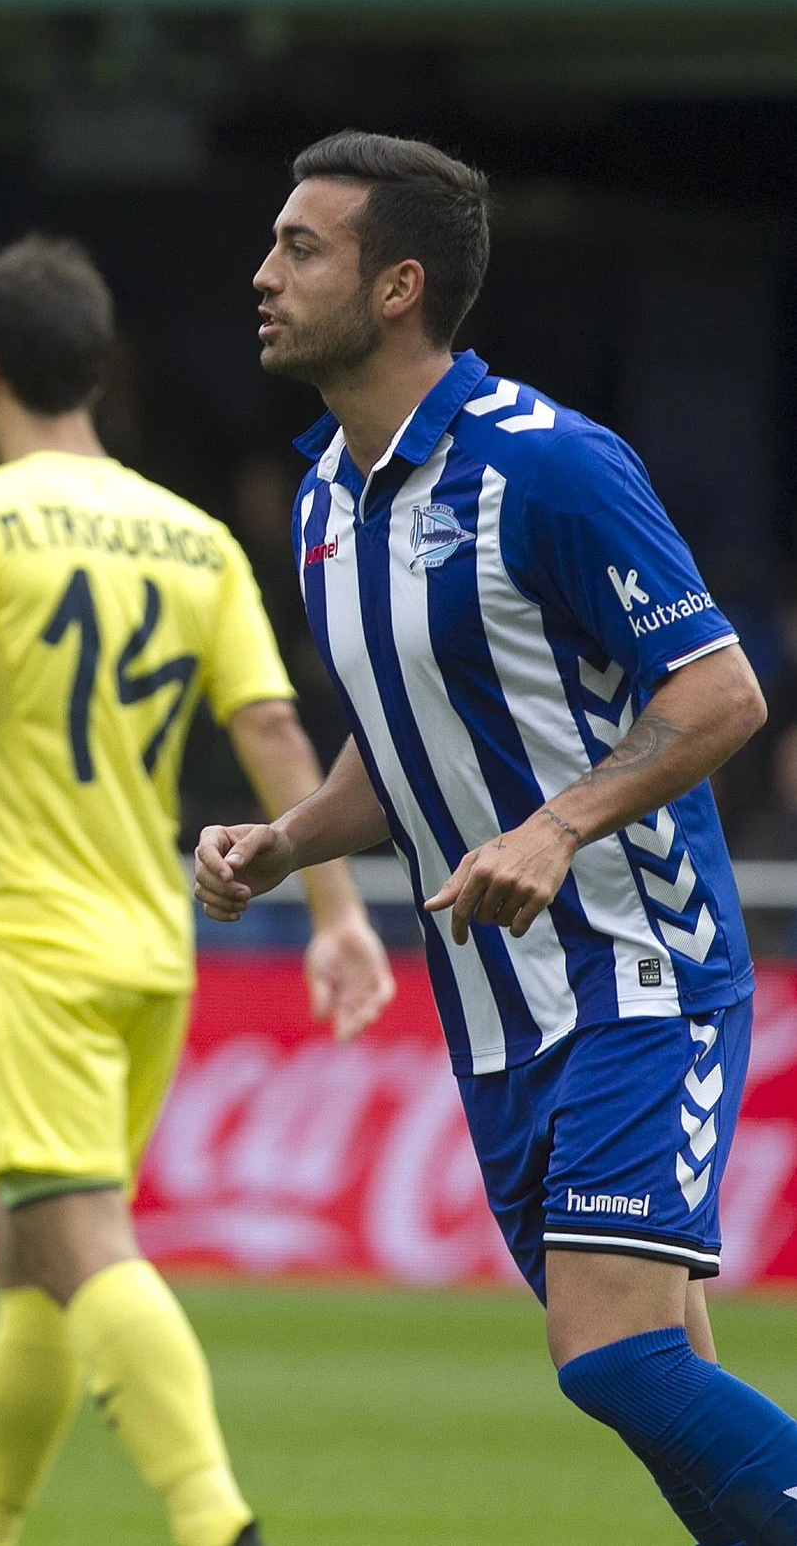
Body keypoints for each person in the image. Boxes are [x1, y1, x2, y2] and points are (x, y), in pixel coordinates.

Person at [199, 129, 791, 1543]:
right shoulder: (323, 503)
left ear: (397, 285)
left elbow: (719, 691)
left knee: (614, 1353)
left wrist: (559, 823)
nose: (261, 272)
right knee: (663, 1374)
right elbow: (403, 742)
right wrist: (286, 839)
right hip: (494, 1010)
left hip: (637, 969)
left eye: (300, 247)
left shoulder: (550, 467)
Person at [0, 235, 393, 1546]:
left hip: (30, 943)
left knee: (75, 1244)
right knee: (28, 1261)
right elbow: (277, 736)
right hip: (150, 948)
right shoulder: (191, 538)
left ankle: (210, 1516)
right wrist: (339, 914)